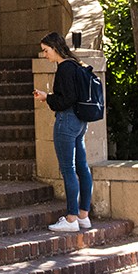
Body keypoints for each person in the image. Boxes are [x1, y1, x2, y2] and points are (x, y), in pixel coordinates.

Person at [33, 31, 93, 233]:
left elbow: (65, 99)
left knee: (68, 169)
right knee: (82, 167)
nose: (45, 55)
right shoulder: (76, 65)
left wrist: (46, 98)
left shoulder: (65, 68)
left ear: (55, 48)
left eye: (46, 50)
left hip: (66, 121)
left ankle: (71, 219)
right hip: (80, 121)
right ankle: (83, 215)